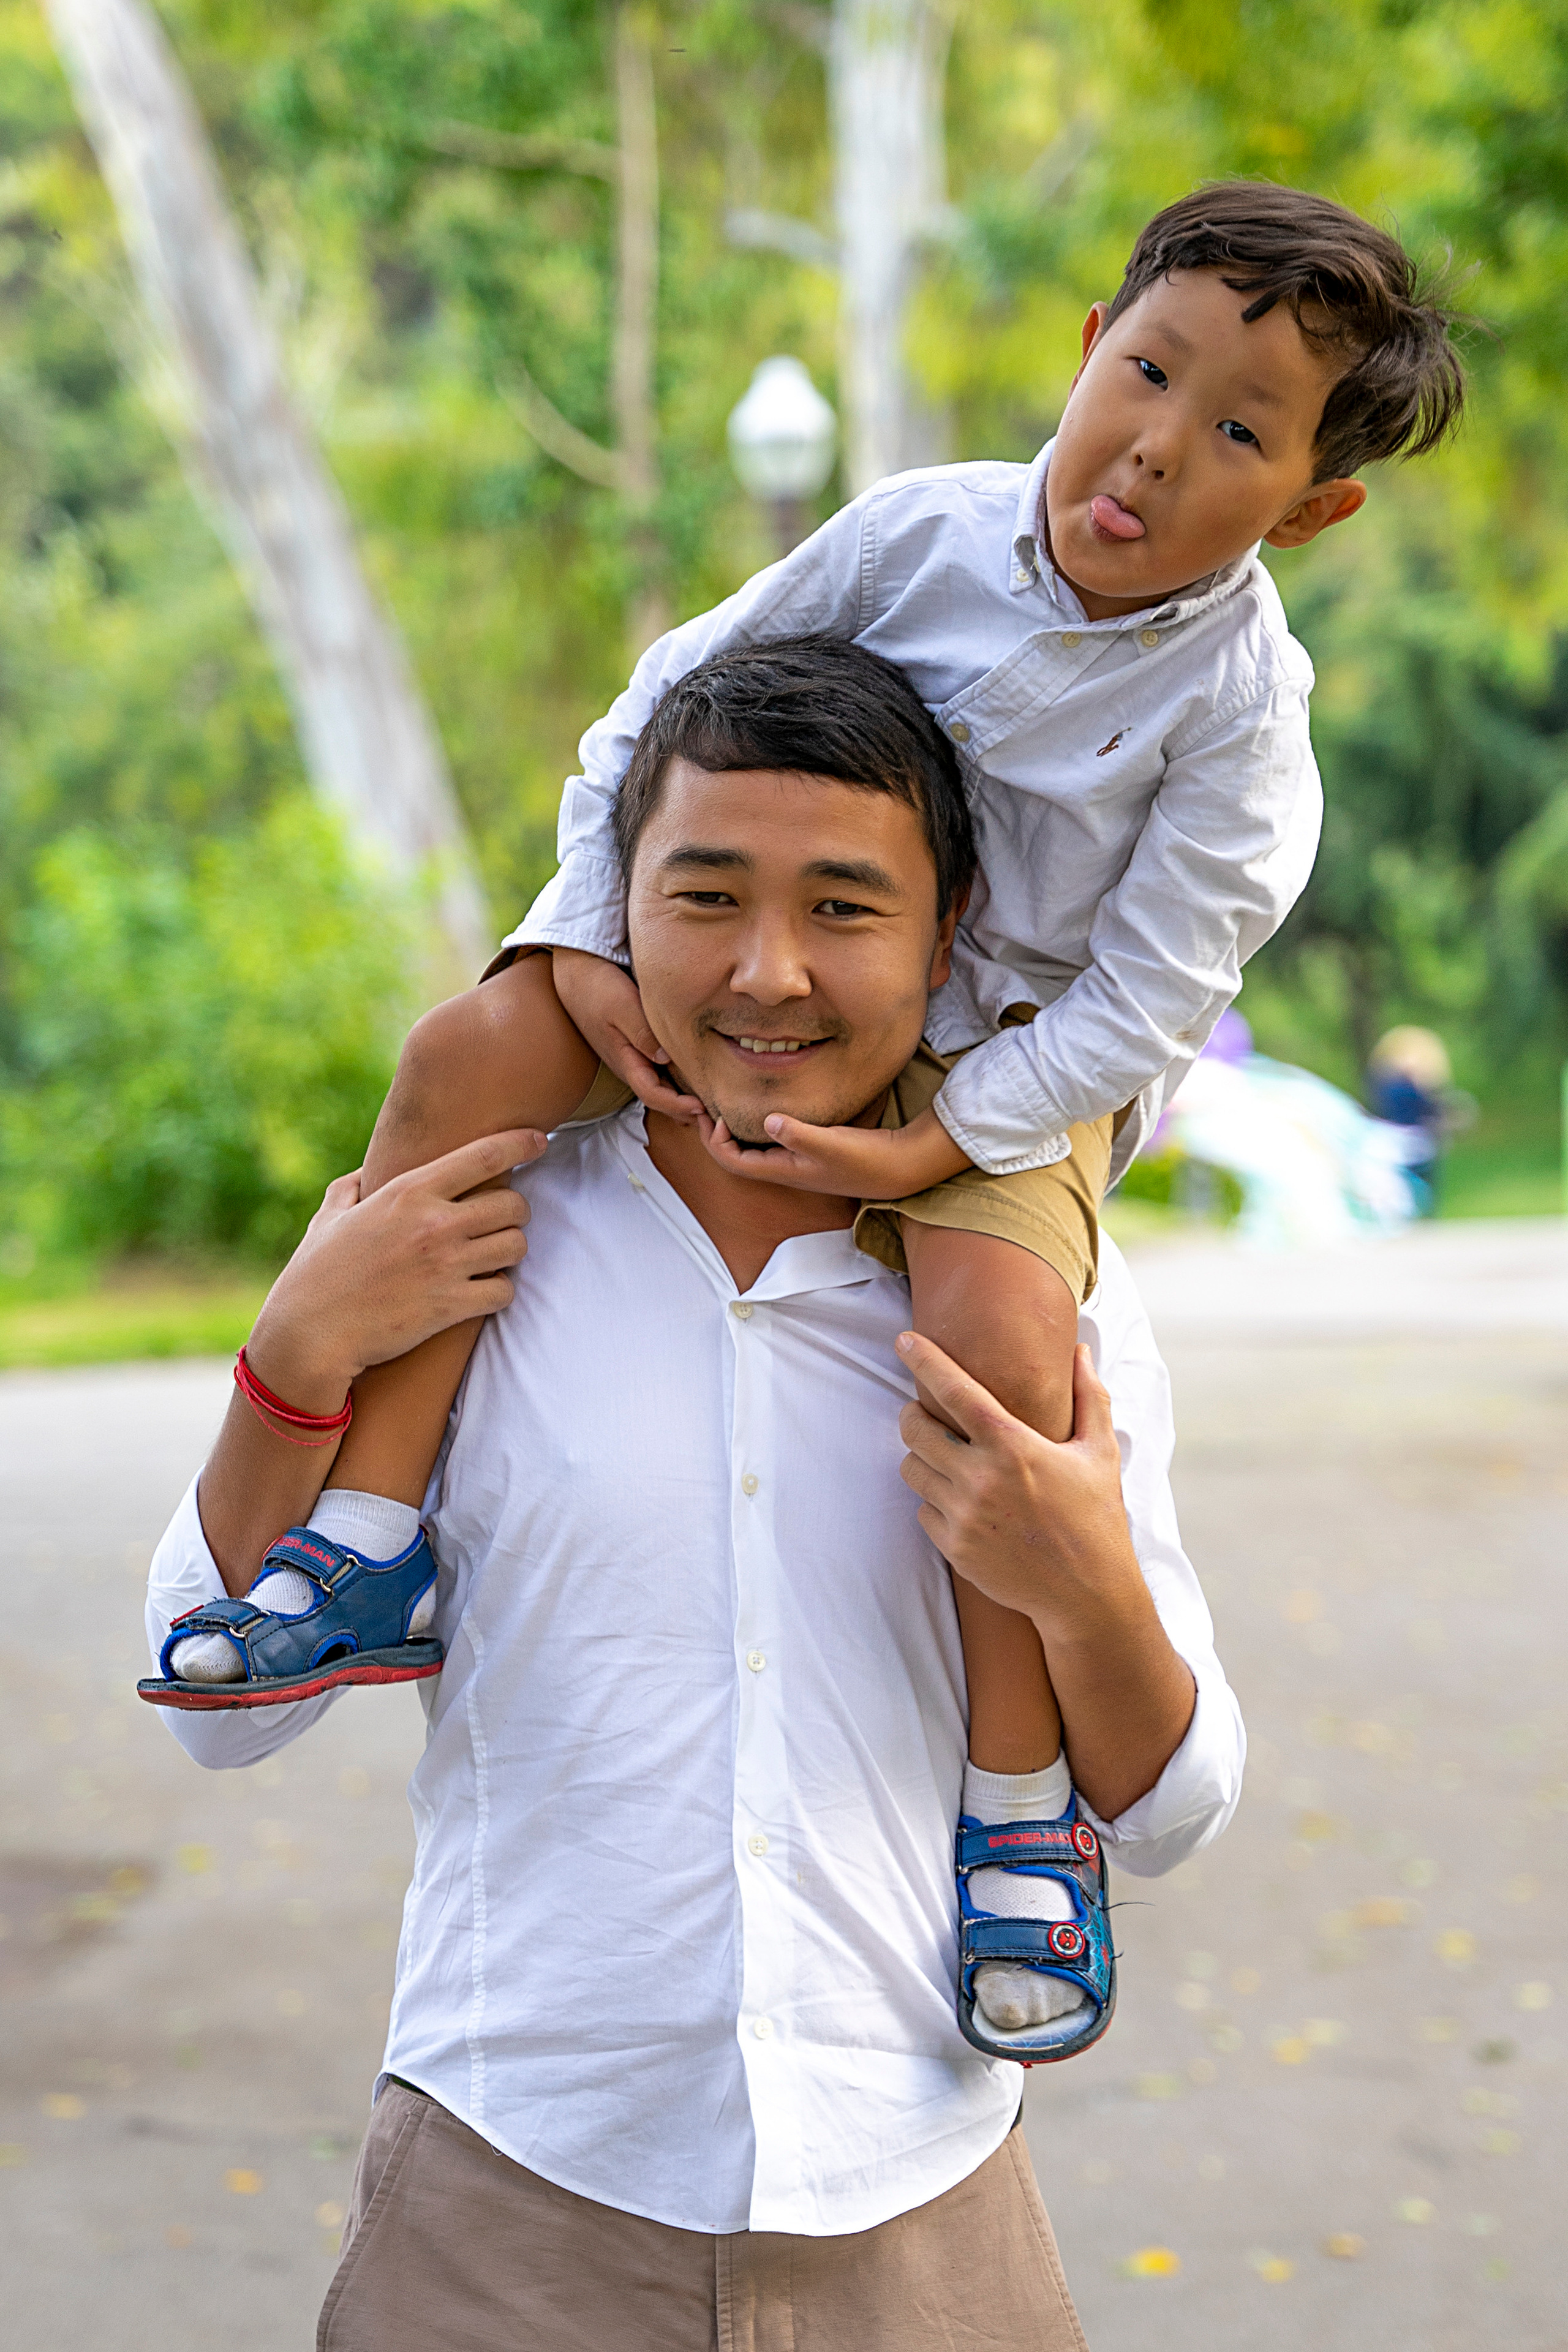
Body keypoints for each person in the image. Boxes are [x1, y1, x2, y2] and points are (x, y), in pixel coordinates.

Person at [145, 685, 1241, 2346]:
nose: (767, 972)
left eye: (844, 908)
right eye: (707, 896)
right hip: (505, 2206)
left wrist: (1080, 1584)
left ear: (946, 938)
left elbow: (1169, 1812)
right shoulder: (467, 1241)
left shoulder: (1024, 1313)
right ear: (611, 910)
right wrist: (293, 1353)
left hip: (921, 2212)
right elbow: (219, 1728)